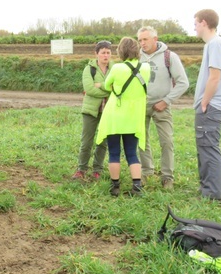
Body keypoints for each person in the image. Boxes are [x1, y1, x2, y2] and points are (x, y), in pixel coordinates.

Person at [96, 37, 151, 197]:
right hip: (133, 118)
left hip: (115, 116)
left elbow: (107, 85)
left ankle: (115, 187)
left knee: (114, 152)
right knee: (132, 153)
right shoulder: (146, 68)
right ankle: (136, 185)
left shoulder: (117, 68)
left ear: (121, 51)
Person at [138, 26, 189, 190]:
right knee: (141, 141)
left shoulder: (169, 56)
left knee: (166, 141)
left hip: (162, 106)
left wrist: (166, 101)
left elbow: (183, 83)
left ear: (155, 38)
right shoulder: (136, 56)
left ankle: (167, 177)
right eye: (139, 40)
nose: (142, 43)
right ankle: (146, 172)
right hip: (140, 105)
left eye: (145, 39)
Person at [193, 9, 221, 201]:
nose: (194, 27)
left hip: (212, 106)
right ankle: (206, 188)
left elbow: (214, 77)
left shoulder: (215, 44)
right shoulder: (216, 44)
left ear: (204, 23)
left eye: (195, 23)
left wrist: (205, 102)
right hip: (213, 105)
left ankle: (212, 194)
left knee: (208, 147)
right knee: (205, 146)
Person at [72, 40, 114, 181]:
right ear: (96, 54)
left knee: (102, 142)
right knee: (87, 142)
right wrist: (108, 89)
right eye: (103, 52)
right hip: (90, 111)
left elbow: (118, 88)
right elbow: (89, 89)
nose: (106, 55)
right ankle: (81, 169)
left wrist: (99, 85)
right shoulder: (89, 69)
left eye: (108, 52)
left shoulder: (115, 69)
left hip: (107, 111)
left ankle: (97, 170)